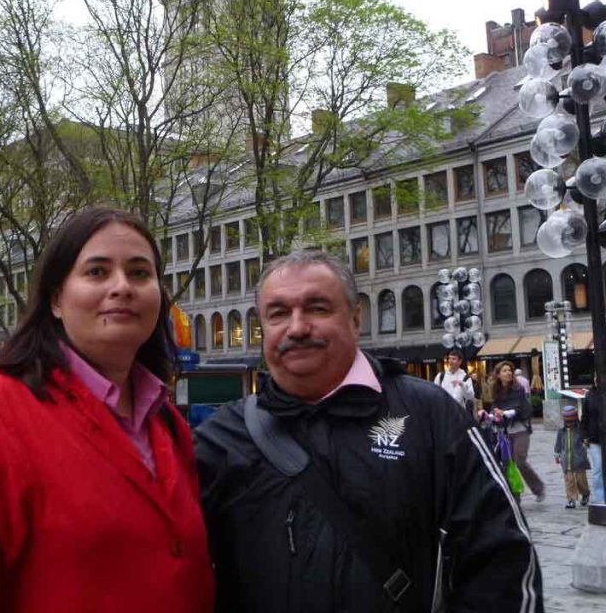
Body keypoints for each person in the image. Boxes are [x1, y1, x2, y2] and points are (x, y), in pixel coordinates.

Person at [0, 208, 214, 612]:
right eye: (97, 272)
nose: (122, 286)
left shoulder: (166, 422)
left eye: (139, 272)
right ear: (56, 300)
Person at [196, 251, 543, 612]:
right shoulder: (222, 437)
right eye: (278, 313)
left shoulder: (429, 414)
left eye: (317, 308)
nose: (296, 327)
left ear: (355, 319)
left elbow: (504, 563)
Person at [490, 360, 546, 502]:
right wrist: (491, 414)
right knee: (508, 464)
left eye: (509, 370)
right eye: (504, 371)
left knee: (520, 460)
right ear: (498, 375)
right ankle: (515, 496)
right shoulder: (496, 391)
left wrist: (505, 412)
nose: (508, 373)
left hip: (520, 429)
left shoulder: (518, 389)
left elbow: (519, 408)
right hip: (505, 432)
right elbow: (494, 409)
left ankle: (538, 488)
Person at [553, 405, 590, 509]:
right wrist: (557, 454)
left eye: (571, 421)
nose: (569, 423)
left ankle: (585, 493)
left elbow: (586, 441)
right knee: (569, 481)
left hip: (579, 460)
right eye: (567, 421)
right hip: (566, 460)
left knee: (581, 480)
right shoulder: (561, 432)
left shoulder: (580, 430)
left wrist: (586, 442)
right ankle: (571, 499)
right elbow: (558, 444)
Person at [434, 347, 475, 412]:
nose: (450, 361)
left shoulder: (465, 377)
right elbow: (434, 394)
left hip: (459, 413)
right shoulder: (440, 376)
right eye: (449, 358)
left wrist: (462, 385)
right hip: (443, 412)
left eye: (454, 359)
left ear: (460, 361)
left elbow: (470, 396)